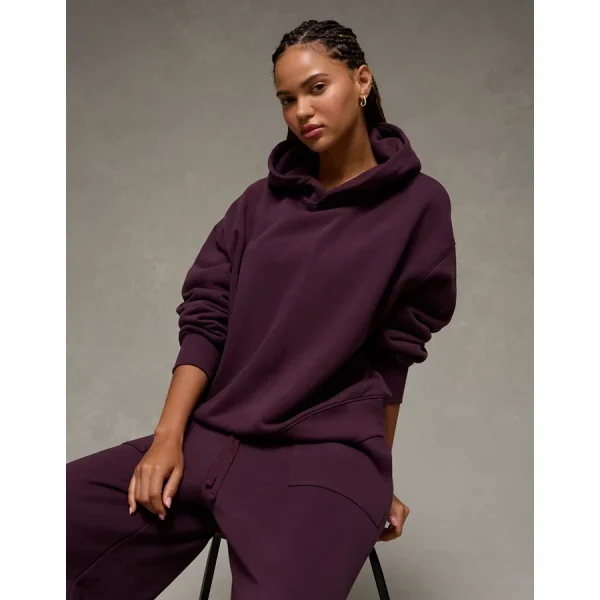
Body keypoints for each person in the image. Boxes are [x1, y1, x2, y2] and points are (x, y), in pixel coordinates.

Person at [66, 18, 457, 600]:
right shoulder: (257, 205)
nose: (302, 111)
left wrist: (379, 474)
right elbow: (206, 318)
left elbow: (395, 353)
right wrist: (168, 437)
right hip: (211, 438)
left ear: (362, 81)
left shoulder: (418, 206)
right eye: (287, 99)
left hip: (325, 460)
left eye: (316, 88)